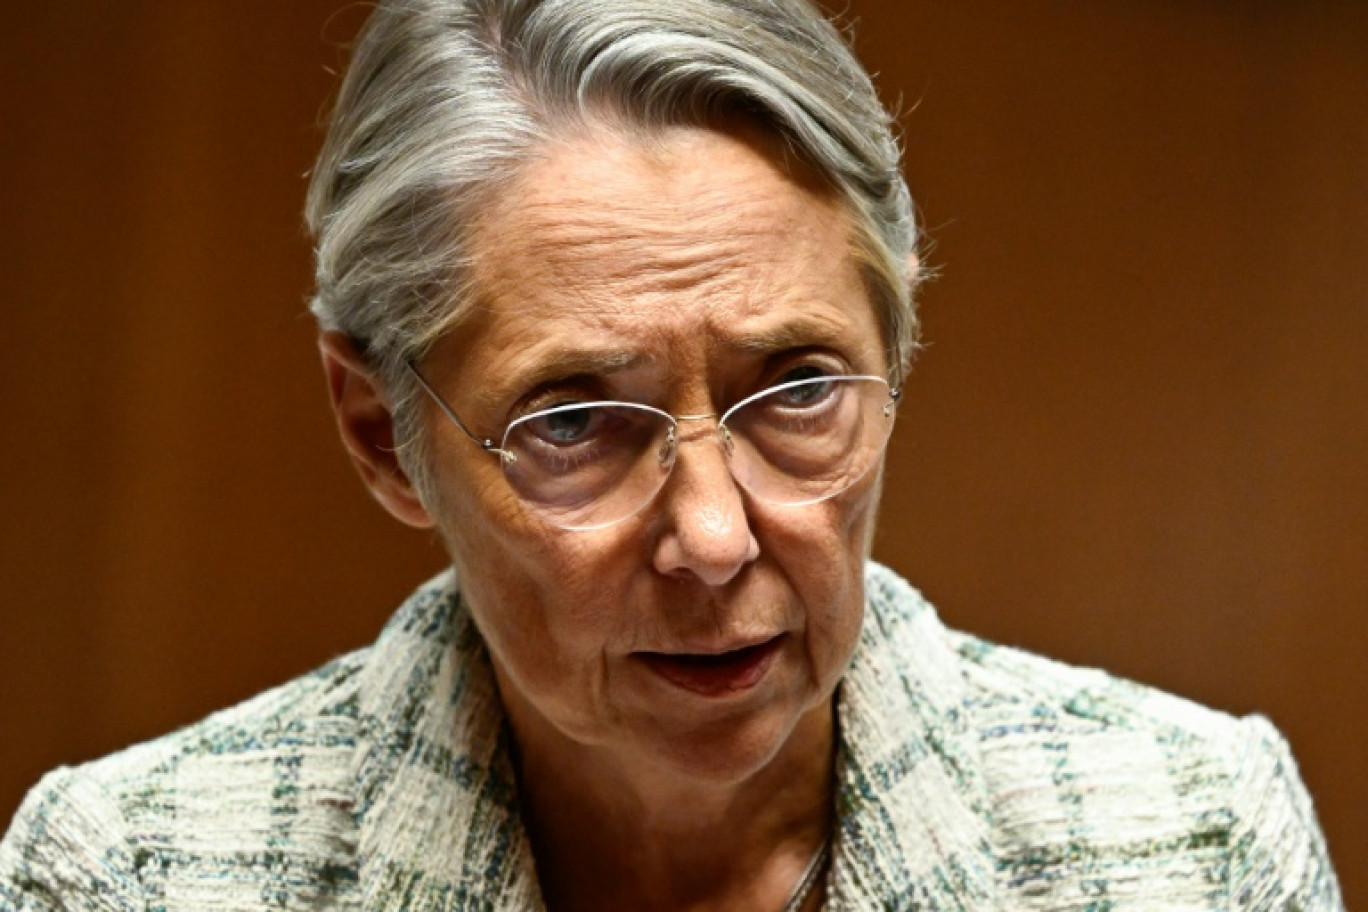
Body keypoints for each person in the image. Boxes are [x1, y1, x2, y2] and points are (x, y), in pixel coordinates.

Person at [0, 0, 1342, 908]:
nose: (714, 538)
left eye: (799, 389)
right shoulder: (136, 872)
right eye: (574, 423)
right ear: (383, 436)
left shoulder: (1189, 836)